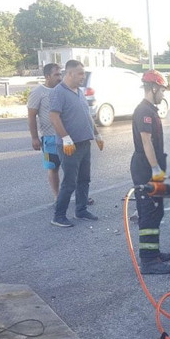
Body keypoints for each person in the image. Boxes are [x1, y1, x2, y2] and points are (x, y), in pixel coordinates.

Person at [48, 60, 103, 227]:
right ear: (69, 74)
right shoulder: (59, 92)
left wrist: (97, 134)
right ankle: (58, 216)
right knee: (70, 182)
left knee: (84, 179)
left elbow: (87, 116)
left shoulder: (79, 91)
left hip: (84, 142)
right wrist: (65, 138)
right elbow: (54, 117)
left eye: (83, 73)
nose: (83, 76)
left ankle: (81, 210)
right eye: (80, 73)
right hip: (69, 145)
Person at [131, 69, 170, 274]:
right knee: (148, 214)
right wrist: (155, 169)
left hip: (153, 167)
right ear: (154, 88)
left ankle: (154, 252)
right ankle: (148, 261)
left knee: (157, 211)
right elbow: (146, 142)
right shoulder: (144, 112)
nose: (163, 94)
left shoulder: (150, 109)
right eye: (162, 90)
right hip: (146, 169)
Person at [27, 63, 63, 201]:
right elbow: (31, 116)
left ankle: (79, 195)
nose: (60, 78)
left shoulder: (62, 90)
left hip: (65, 136)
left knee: (72, 168)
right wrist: (34, 138)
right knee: (53, 167)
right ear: (47, 76)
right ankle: (57, 196)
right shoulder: (38, 93)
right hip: (49, 138)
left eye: (61, 74)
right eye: (56, 75)